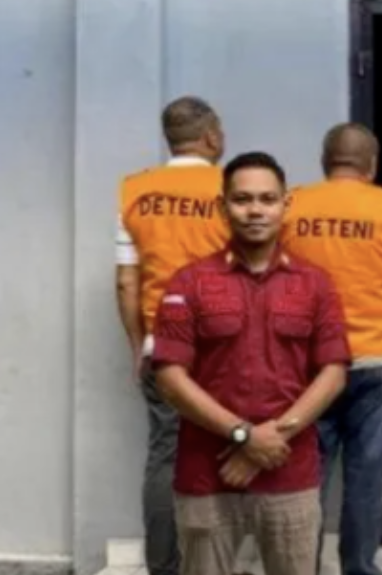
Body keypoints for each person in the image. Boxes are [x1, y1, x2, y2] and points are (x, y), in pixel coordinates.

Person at [149, 151, 352, 575]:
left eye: (267, 199)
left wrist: (266, 442)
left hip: (289, 474)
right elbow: (169, 377)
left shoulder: (316, 284)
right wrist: (242, 434)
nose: (255, 210)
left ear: (285, 204)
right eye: (242, 199)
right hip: (207, 476)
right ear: (222, 206)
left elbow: (333, 373)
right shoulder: (189, 282)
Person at [278, 123, 382, 575]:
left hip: (307, 363)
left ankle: (300, 567)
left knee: (306, 477)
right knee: (366, 479)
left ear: (326, 161)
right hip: (374, 359)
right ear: (373, 164)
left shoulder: (291, 206)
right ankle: (359, 568)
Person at [115, 95, 231, 575]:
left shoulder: (135, 191)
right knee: (231, 447)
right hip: (224, 345)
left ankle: (164, 566)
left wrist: (138, 346)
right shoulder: (233, 188)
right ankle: (218, 564)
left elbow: (126, 281)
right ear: (211, 137)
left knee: (166, 454)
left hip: (163, 345)